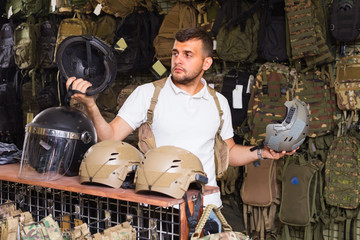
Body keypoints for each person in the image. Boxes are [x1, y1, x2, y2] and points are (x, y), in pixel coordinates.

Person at [66, 27, 296, 231]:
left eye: (188, 55)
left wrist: (262, 152)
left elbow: (230, 152)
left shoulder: (218, 103)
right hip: (157, 211)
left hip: (206, 211)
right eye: (176, 53)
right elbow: (110, 138)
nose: (178, 60)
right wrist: (91, 106)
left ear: (206, 63)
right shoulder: (147, 94)